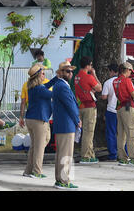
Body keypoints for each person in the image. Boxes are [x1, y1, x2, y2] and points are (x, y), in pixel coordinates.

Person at [22, 64, 58, 178]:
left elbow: (47, 85)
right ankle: (37, 171)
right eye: (43, 73)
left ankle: (28, 170)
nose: (44, 74)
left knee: (35, 146)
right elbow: (54, 94)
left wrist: (57, 78)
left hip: (31, 119)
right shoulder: (40, 89)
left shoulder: (33, 87)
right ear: (38, 75)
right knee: (39, 146)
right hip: (39, 120)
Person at [52, 61, 81, 190]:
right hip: (66, 124)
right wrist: (77, 120)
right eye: (67, 71)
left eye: (71, 71)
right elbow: (70, 105)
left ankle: (60, 179)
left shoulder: (60, 85)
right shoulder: (62, 86)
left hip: (62, 124)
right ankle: (64, 180)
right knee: (66, 155)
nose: (71, 73)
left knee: (61, 154)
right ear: (61, 73)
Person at [113, 62, 134, 168]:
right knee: (131, 133)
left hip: (120, 107)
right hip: (127, 107)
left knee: (121, 134)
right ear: (127, 70)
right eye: (131, 71)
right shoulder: (127, 81)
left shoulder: (115, 81)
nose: (131, 73)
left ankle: (122, 157)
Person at [74, 56, 101, 164]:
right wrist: (94, 74)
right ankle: (85, 156)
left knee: (85, 131)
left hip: (80, 106)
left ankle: (90, 154)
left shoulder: (76, 77)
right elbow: (99, 88)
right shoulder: (89, 77)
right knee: (88, 132)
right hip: (89, 107)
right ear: (88, 65)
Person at [101, 63, 119, 161]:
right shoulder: (123, 81)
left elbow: (104, 97)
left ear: (111, 71)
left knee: (111, 132)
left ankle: (113, 154)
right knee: (122, 133)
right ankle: (124, 153)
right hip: (121, 110)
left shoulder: (108, 82)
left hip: (111, 110)